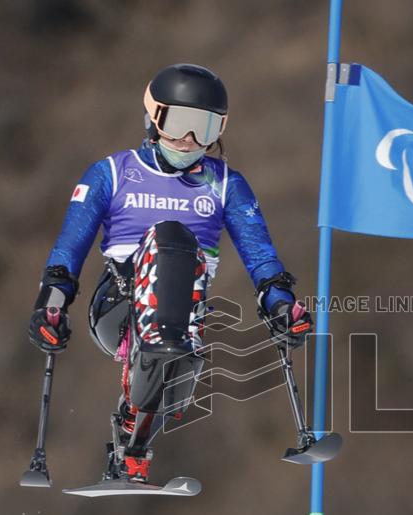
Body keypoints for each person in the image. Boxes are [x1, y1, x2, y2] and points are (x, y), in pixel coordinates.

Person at [28, 63, 313, 484]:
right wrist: (49, 306)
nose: (190, 139)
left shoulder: (226, 185)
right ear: (153, 118)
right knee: (171, 238)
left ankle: (132, 446)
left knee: (182, 349)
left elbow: (260, 256)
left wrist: (282, 307)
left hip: (185, 314)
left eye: (206, 127)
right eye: (178, 123)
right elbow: (70, 246)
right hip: (118, 306)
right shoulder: (112, 173)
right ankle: (153, 369)